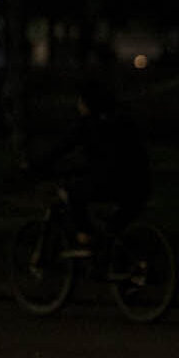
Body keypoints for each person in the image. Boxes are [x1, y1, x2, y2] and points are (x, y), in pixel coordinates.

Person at [26, 80, 151, 259]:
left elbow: (61, 148)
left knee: (70, 192)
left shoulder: (87, 124)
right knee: (112, 231)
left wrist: (36, 166)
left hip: (112, 182)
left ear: (87, 104)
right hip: (141, 185)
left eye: (80, 101)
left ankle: (85, 236)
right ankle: (114, 261)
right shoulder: (123, 121)